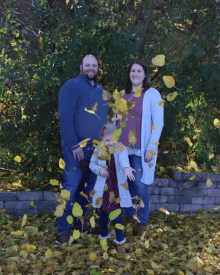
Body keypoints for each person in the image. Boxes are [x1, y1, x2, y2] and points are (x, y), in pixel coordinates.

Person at [56, 55, 110, 245]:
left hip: (96, 150)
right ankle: (62, 231)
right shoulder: (71, 86)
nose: (91, 68)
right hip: (76, 149)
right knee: (70, 188)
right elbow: (65, 117)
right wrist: (73, 145)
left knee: (86, 190)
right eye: (87, 65)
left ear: (97, 68)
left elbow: (103, 122)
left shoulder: (102, 91)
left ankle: (79, 224)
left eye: (94, 65)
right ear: (81, 67)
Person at [113, 59, 164, 237]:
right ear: (129, 74)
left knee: (141, 187)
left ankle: (142, 225)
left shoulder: (152, 94)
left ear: (145, 74)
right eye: (132, 71)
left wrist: (151, 148)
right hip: (122, 150)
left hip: (140, 150)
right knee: (125, 187)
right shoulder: (120, 95)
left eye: (139, 71)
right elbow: (115, 121)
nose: (135, 74)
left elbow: (158, 123)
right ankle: (130, 219)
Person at [89, 123, 136, 254]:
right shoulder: (98, 149)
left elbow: (123, 159)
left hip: (116, 188)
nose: (110, 143)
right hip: (103, 189)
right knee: (102, 216)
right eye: (107, 140)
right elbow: (92, 164)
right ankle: (104, 239)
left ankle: (120, 242)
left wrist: (126, 168)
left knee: (117, 217)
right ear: (102, 139)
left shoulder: (121, 148)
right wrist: (99, 170)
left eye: (113, 140)